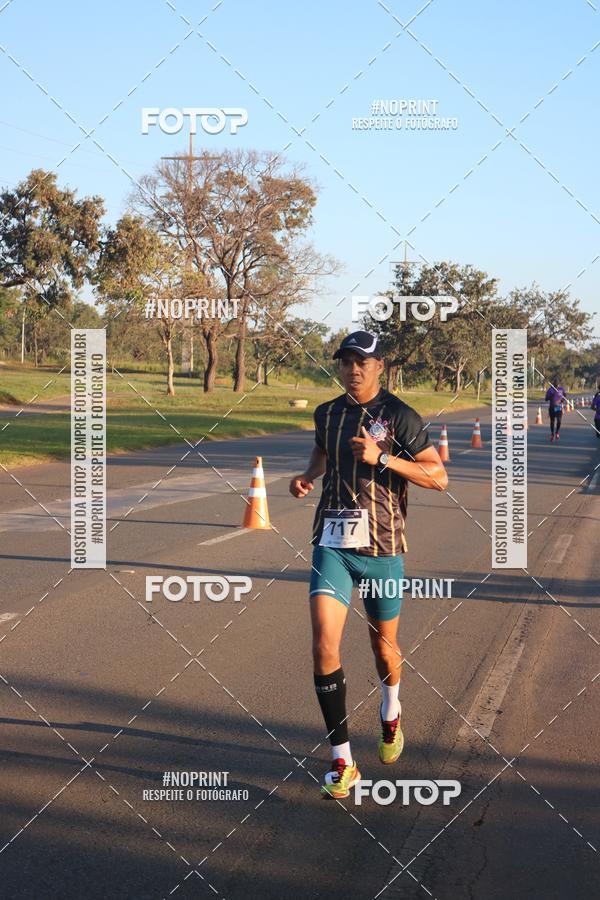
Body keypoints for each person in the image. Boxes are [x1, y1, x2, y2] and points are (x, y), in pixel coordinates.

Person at [289, 331, 448, 799]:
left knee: (384, 650)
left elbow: (438, 477)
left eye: (362, 362)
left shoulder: (400, 415)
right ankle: (343, 762)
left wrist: (386, 458)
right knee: (323, 644)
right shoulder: (328, 413)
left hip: (382, 550)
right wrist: (308, 475)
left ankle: (391, 710)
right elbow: (322, 448)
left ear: (380, 367)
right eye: (345, 362)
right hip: (332, 544)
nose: (352, 369)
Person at [545, 377, 567, 442]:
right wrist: (551, 396)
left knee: (559, 421)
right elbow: (546, 399)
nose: (556, 383)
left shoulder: (561, 389)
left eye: (557, 382)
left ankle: (557, 432)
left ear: (558, 383)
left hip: (558, 407)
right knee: (552, 421)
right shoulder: (550, 390)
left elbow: (565, 396)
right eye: (555, 382)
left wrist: (561, 401)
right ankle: (552, 434)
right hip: (552, 407)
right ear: (553, 383)